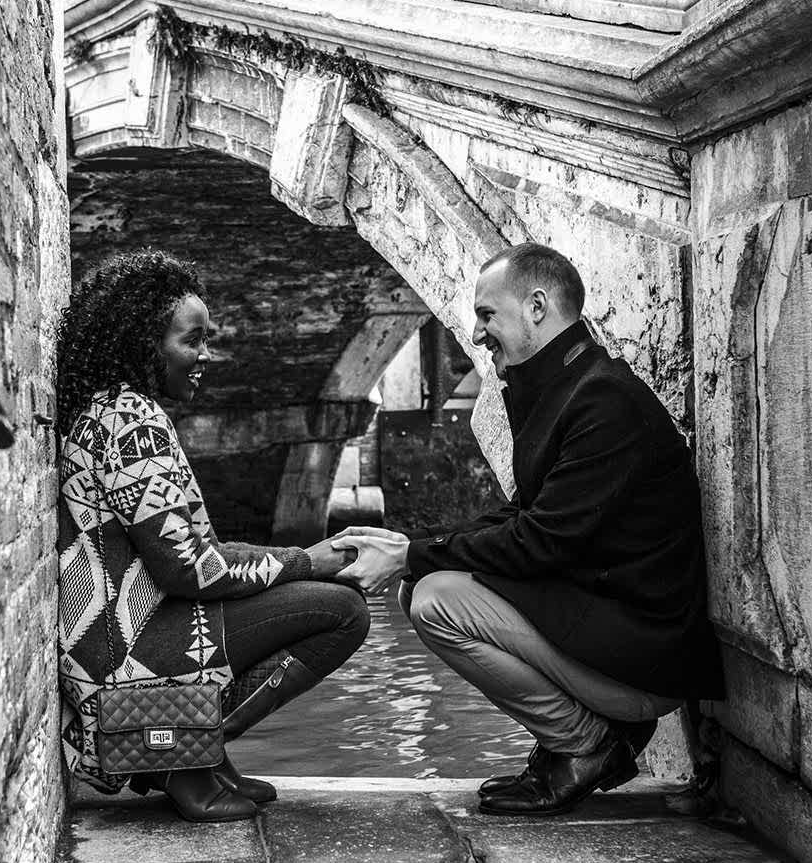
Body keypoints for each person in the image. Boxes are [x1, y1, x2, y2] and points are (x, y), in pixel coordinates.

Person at [333, 243, 724, 816]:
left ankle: (587, 745)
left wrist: (414, 557)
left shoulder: (601, 401)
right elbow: (525, 515)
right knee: (426, 580)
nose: (475, 332)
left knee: (434, 599)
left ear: (537, 306)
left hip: (646, 663)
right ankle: (571, 740)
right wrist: (411, 549)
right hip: (615, 636)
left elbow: (540, 540)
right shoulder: (566, 386)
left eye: (487, 314)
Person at [55, 249, 367, 822]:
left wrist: (294, 560)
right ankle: (174, 755)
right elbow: (191, 569)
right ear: (144, 343)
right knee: (343, 611)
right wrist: (308, 560)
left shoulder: (109, 410)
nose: (205, 355)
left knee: (320, 598)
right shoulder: (133, 424)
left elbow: (190, 556)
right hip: (125, 656)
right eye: (192, 340)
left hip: (110, 643)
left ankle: (200, 752)